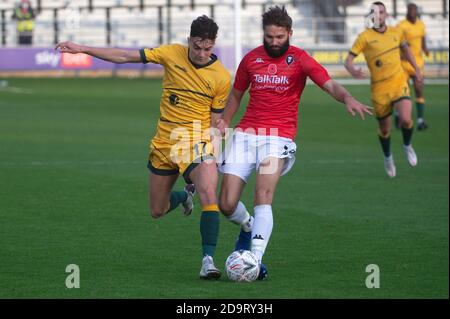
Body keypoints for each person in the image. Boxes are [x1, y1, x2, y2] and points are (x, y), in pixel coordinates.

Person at [55, 16, 231, 280]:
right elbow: (125, 56)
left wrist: (213, 154)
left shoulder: (221, 77)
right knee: (157, 210)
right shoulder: (171, 54)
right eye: (197, 47)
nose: (202, 53)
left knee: (209, 190)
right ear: (189, 41)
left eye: (207, 48)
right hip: (163, 143)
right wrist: (83, 48)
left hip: (194, 141)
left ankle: (208, 260)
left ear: (213, 44)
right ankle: (183, 197)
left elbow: (216, 122)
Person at [215, 6, 372, 280]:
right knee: (226, 203)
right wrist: (224, 123)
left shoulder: (300, 59)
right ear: (263, 34)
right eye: (269, 37)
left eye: (279, 37)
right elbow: (236, 95)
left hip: (278, 138)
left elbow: (329, 84)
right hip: (245, 135)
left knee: (263, 194)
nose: (274, 42)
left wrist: (347, 98)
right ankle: (248, 226)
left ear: (289, 33)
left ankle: (254, 259)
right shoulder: (251, 59)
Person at [344, 1, 423, 178]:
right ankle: (388, 157)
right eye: (374, 13)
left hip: (398, 83)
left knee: (406, 119)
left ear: (386, 15)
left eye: (380, 12)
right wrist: (353, 70)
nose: (377, 16)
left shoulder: (397, 32)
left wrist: (416, 69)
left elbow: (407, 50)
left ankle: (407, 145)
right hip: (379, 90)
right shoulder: (364, 37)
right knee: (385, 130)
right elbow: (348, 61)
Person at [395, 3, 430, 131]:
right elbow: (395, 40)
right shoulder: (401, 25)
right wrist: (400, 54)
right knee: (403, 92)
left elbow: (423, 41)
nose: (411, 12)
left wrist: (426, 50)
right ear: (407, 11)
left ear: (417, 11)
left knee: (419, 89)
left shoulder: (421, 25)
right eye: (410, 9)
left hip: (417, 63)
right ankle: (399, 115)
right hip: (403, 64)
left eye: (414, 9)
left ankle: (420, 120)